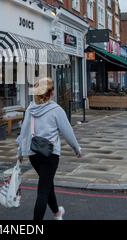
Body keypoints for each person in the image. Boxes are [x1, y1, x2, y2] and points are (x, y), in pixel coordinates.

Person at [17, 77, 82, 221]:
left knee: (46, 183)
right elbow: (68, 132)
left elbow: (24, 132)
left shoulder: (30, 109)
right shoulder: (56, 110)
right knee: (43, 190)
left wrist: (20, 151)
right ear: (51, 93)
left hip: (33, 153)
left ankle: (57, 212)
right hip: (50, 154)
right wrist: (76, 149)